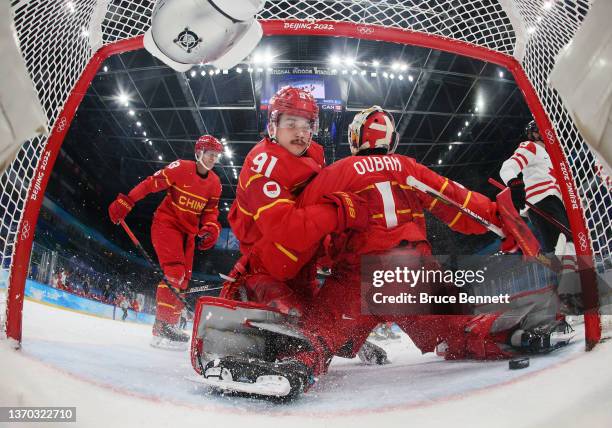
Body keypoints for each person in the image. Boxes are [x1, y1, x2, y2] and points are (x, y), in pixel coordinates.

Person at [199, 106, 550, 398]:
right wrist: (500, 222)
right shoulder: (407, 167)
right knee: (459, 333)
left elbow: (301, 233)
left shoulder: (335, 174)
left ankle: (295, 370)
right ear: (389, 138)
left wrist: (263, 261)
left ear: (355, 138)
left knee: (316, 336)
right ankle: (515, 331)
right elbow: (457, 203)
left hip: (360, 277)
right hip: (416, 272)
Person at [222, 86, 368, 315]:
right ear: (273, 125)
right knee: (297, 317)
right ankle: (250, 286)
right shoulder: (263, 163)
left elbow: (312, 209)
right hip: (268, 267)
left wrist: (332, 250)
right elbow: (285, 229)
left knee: (318, 319)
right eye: (291, 124)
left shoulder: (313, 156)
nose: (300, 133)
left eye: (306, 126)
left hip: (302, 267)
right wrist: (338, 211)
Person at [108, 135, 223, 349]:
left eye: (216, 156)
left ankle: (169, 327)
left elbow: (210, 213)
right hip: (166, 225)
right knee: (174, 273)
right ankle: (163, 324)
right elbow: (152, 183)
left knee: (183, 281)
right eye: (210, 154)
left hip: (188, 234)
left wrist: (211, 228)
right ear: (198, 152)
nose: (213, 159)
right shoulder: (181, 167)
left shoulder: (215, 183)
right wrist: (128, 200)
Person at [499, 120, 573, 254]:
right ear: (534, 133)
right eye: (543, 129)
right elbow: (507, 168)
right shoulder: (530, 147)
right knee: (567, 243)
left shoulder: (551, 157)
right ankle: (571, 269)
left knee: (563, 246)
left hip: (553, 204)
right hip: (543, 202)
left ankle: (568, 269)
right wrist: (515, 184)